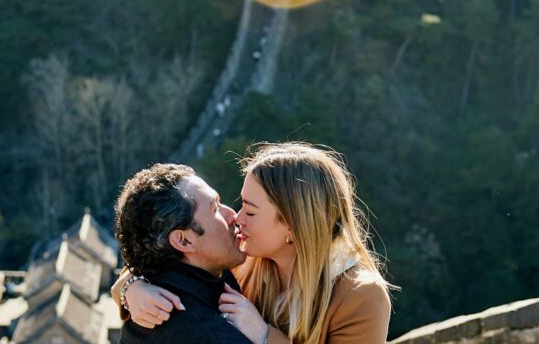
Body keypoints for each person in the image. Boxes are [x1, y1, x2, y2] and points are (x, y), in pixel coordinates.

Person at [114, 142, 392, 344]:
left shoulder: (359, 295)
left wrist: (263, 335)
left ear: (292, 226)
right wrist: (132, 286)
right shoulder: (246, 261)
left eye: (251, 210)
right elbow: (172, 258)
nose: (237, 217)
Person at [112, 163, 254, 343]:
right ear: (184, 241)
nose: (233, 215)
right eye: (215, 209)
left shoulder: (165, 286)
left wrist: (129, 283)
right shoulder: (206, 333)